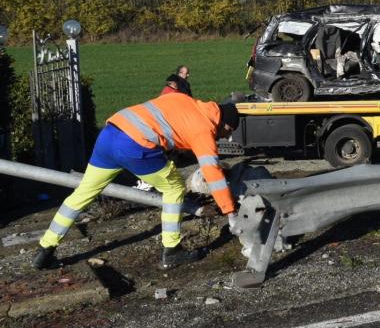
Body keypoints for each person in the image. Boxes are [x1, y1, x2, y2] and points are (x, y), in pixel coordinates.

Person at [30, 93, 241, 271]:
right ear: (226, 123)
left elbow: (166, 122)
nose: (226, 138)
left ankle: (45, 248)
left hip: (110, 134)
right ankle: (172, 250)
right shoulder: (203, 128)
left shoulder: (185, 100)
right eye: (228, 133)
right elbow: (212, 173)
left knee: (83, 193)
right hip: (134, 145)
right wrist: (230, 212)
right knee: (174, 186)